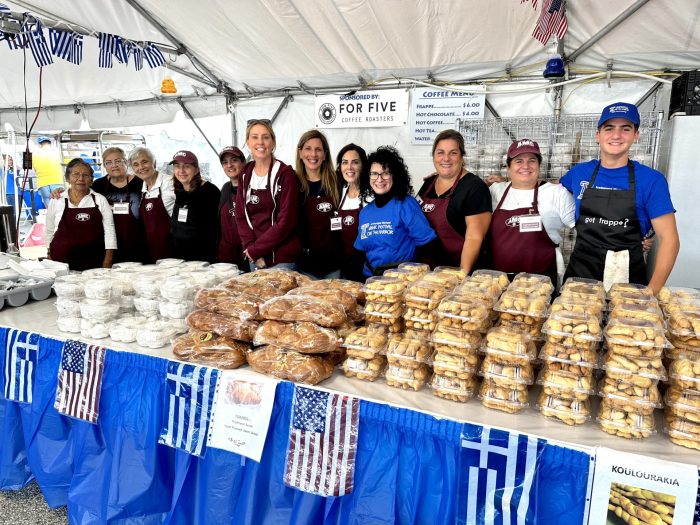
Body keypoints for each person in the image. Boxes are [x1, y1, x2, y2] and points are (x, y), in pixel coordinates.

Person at [561, 102, 679, 293]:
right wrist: (499, 182)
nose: (616, 135)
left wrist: (651, 292)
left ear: (636, 135)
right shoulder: (579, 173)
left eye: (625, 129)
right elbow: (552, 190)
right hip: (580, 274)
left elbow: (670, 239)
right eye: (609, 128)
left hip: (626, 279)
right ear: (598, 135)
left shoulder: (651, 180)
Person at [489, 139, 575, 285]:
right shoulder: (495, 191)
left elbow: (582, 229)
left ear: (539, 165)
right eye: (519, 161)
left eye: (532, 160)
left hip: (541, 283)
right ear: (508, 166)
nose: (526, 166)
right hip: (498, 281)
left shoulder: (557, 193)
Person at [354, 146, 436, 276]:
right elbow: (360, 252)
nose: (379, 179)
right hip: (370, 281)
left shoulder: (406, 204)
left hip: (400, 281)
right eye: (374, 173)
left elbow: (428, 245)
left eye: (385, 173)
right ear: (367, 177)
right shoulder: (365, 213)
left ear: (395, 176)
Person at [417, 129, 491, 271]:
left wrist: (461, 275)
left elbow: (474, 238)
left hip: (458, 272)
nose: (446, 158)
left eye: (453, 153)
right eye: (440, 152)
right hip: (427, 273)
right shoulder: (428, 183)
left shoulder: (474, 188)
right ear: (433, 156)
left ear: (462, 157)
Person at [235, 120, 300, 271]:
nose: (260, 142)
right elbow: (241, 217)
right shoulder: (245, 174)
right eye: (255, 137)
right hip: (255, 258)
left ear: (273, 142)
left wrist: (256, 250)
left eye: (265, 137)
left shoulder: (285, 174)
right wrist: (251, 249)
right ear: (247, 142)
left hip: (282, 259)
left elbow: (286, 222)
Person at [45, 158, 116, 270]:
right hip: (61, 260)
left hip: (94, 261)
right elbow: (49, 230)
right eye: (76, 174)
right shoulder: (57, 199)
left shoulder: (100, 200)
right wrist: (49, 254)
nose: (80, 178)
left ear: (91, 180)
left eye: (85, 175)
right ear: (67, 178)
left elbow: (110, 231)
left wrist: (108, 261)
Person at [295, 130, 342, 279]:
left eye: (318, 149)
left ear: (325, 154)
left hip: (334, 265)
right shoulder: (292, 183)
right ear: (300, 153)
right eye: (308, 148)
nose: (313, 154)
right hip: (305, 267)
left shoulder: (338, 181)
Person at [91, 147, 144, 263]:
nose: (114, 165)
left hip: (138, 243)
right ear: (104, 166)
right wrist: (60, 191)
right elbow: (79, 193)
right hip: (110, 245)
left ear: (126, 162)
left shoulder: (140, 182)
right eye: (108, 163)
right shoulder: (98, 185)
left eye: (118, 161)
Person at [170, 150, 221, 263]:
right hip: (180, 257)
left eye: (187, 166)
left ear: (197, 169)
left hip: (202, 259)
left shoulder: (210, 191)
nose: (181, 171)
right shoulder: (180, 190)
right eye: (177, 166)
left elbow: (215, 229)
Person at [129, 146, 175, 263]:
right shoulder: (143, 189)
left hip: (173, 250)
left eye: (144, 162)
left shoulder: (170, 183)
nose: (141, 167)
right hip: (152, 252)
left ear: (154, 162)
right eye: (136, 164)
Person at [336, 143, 368, 282]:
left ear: (363, 166)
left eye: (355, 162)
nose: (349, 167)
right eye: (345, 162)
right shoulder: (339, 191)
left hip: (364, 264)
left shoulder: (371, 195)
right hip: (343, 263)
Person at [218, 146, 246, 268]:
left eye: (234, 160)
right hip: (227, 259)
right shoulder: (224, 189)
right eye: (225, 162)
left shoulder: (253, 188)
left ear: (243, 162)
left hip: (248, 256)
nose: (229, 165)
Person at [33, 136, 64, 208]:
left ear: (40, 144)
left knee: (48, 206)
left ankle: (51, 218)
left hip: (43, 183)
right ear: (50, 143)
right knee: (60, 204)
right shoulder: (58, 152)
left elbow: (33, 169)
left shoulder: (35, 155)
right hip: (58, 181)